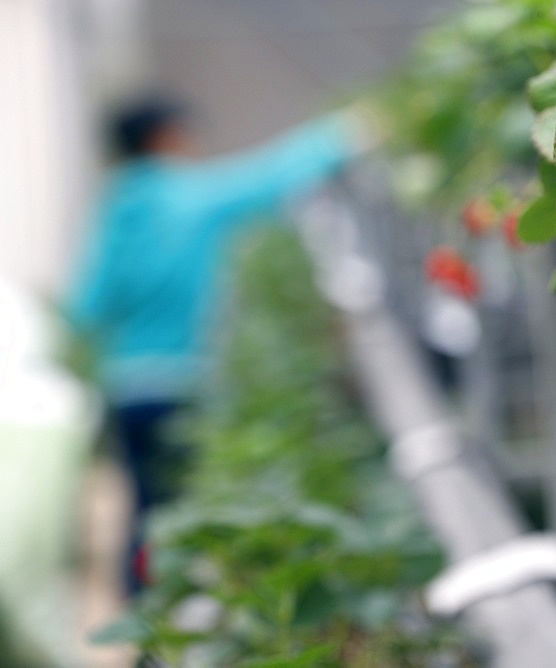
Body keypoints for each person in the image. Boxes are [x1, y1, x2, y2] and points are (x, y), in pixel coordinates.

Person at [64, 95, 371, 592]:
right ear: (165, 137)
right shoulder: (188, 197)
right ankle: (175, 618)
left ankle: (140, 623)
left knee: (142, 511)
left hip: (125, 388)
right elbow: (270, 178)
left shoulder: (116, 205)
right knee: (184, 515)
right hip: (181, 382)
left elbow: (87, 308)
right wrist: (344, 133)